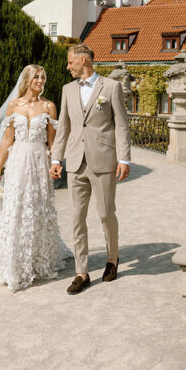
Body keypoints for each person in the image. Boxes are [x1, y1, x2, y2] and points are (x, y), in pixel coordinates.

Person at [0, 65, 71, 291]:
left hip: (39, 161)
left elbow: (53, 141)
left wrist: (55, 163)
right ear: (27, 80)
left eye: (43, 78)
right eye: (36, 78)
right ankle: (14, 264)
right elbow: (7, 140)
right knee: (16, 207)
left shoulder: (49, 106)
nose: (40, 81)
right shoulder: (14, 106)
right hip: (17, 161)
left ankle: (39, 260)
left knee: (38, 207)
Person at [50, 44, 131, 294]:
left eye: (70, 62)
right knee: (77, 218)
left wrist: (124, 159)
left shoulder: (111, 87)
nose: (67, 66)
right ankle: (81, 272)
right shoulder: (66, 90)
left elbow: (122, 125)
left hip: (103, 160)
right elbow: (63, 127)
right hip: (75, 163)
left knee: (106, 213)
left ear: (83, 60)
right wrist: (56, 159)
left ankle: (112, 259)